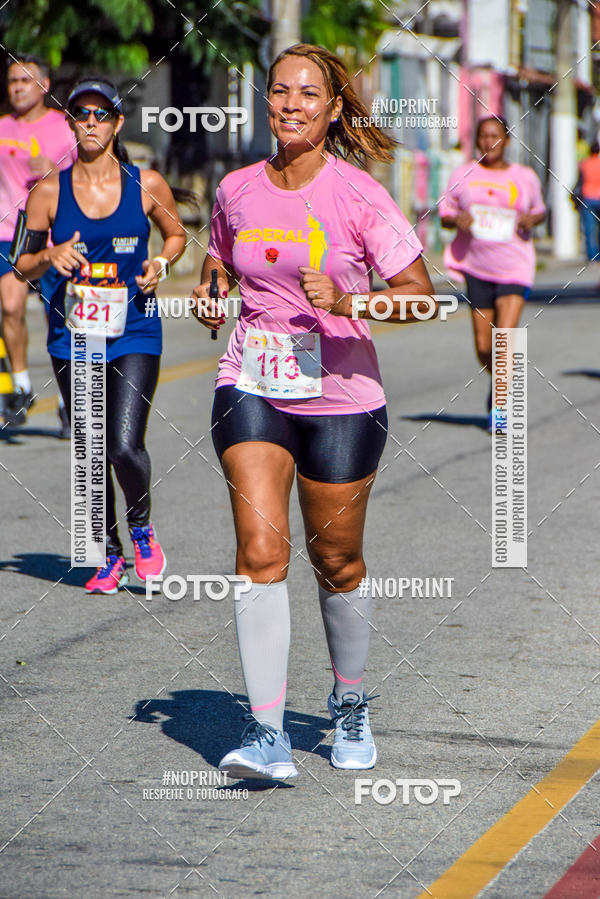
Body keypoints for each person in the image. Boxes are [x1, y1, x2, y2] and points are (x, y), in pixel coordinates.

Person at [192, 43, 436, 780]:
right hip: (253, 383)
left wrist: (353, 302)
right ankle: (267, 733)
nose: (291, 104)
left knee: (336, 559)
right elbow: (220, 260)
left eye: (308, 93)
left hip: (342, 396)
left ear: (332, 110)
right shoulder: (235, 188)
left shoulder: (359, 194)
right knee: (261, 551)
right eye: (280, 92)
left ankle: (349, 701)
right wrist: (210, 296)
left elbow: (422, 295)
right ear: (266, 102)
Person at [14, 77, 186, 593]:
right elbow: (19, 263)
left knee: (125, 444)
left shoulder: (146, 183)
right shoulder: (48, 190)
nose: (91, 122)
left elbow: (177, 234)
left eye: (101, 114)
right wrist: (48, 256)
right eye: (82, 114)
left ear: (117, 123)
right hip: (75, 336)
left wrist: (160, 260)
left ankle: (142, 531)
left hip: (134, 327)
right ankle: (108, 555)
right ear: (70, 122)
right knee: (91, 448)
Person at [438, 115, 546, 430]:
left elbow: (539, 210)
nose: (489, 142)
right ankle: (501, 382)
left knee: (503, 340)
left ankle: (499, 406)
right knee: (484, 346)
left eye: (496, 136)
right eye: (484, 136)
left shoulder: (523, 176)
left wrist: (532, 220)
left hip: (515, 266)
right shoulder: (464, 174)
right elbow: (445, 212)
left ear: (507, 140)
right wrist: (457, 220)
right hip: (477, 267)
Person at [0, 53, 78, 427]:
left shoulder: (65, 127)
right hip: (8, 232)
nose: (17, 87)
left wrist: (55, 169)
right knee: (11, 308)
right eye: (12, 81)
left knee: (58, 318)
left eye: (25, 80)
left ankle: (67, 398)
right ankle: (20, 387)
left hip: (52, 233)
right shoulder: (1, 127)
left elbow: (89, 174)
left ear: (44, 85)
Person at [575, 141, 600, 261]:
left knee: (589, 229)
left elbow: (579, 180)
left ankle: (592, 255)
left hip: (587, 198)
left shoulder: (584, 164)